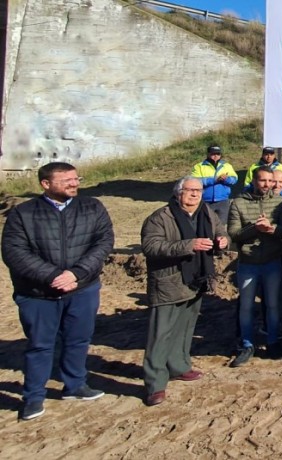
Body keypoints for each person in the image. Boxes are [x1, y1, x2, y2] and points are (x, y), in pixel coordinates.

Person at [2, 162, 114, 421]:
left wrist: (77, 273)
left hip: (82, 289)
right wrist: (53, 276)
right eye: (67, 181)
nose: (74, 184)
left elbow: (104, 241)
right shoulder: (24, 214)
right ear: (46, 184)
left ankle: (75, 385)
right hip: (38, 294)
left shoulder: (92, 207)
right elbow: (15, 253)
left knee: (78, 340)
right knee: (40, 346)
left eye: (76, 179)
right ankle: (33, 397)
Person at [140, 177, 229, 406]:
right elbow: (151, 247)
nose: (195, 194)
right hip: (169, 282)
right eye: (190, 190)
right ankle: (155, 384)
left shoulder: (206, 212)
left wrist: (222, 240)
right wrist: (189, 245)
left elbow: (222, 230)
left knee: (185, 328)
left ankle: (179, 366)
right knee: (161, 334)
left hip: (196, 279)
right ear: (178, 193)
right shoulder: (161, 217)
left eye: (198, 190)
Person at [227, 167, 282, 367]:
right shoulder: (239, 203)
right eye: (263, 180)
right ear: (254, 181)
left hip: (272, 261)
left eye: (270, 181)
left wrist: (271, 229)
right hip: (248, 263)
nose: (267, 185)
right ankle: (246, 344)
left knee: (272, 305)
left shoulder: (281, 202)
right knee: (246, 306)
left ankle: (272, 341)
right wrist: (253, 228)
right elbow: (233, 234)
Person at [190, 145, 238, 222]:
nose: (215, 156)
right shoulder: (199, 166)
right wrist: (214, 180)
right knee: (206, 224)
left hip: (223, 201)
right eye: (213, 154)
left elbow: (234, 179)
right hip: (205, 201)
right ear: (208, 154)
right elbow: (195, 181)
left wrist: (226, 179)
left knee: (221, 226)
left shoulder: (227, 166)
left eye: (218, 154)